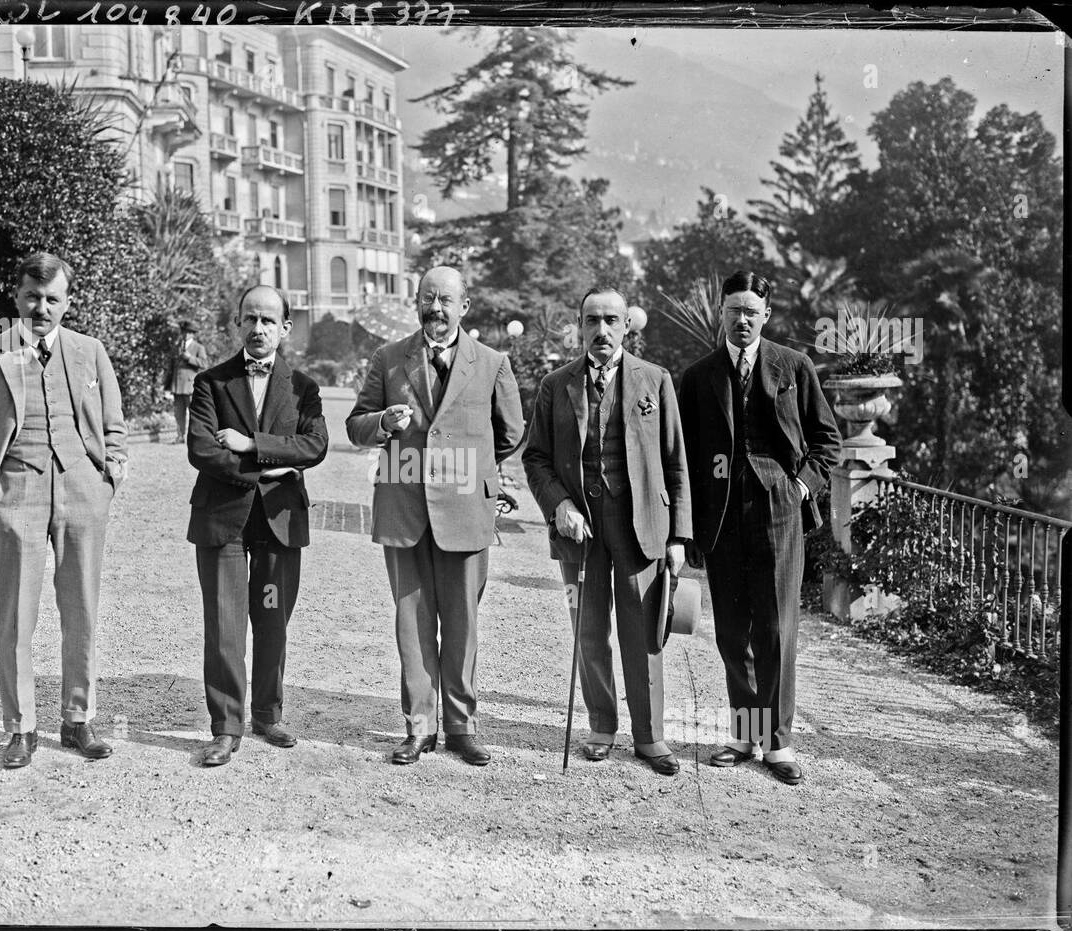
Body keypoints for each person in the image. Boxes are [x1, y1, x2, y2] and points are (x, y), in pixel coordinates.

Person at [346, 266, 524, 766]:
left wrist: (472, 469)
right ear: (416, 302)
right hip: (403, 509)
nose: (436, 308)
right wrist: (381, 421)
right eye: (428, 298)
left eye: (446, 300)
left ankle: (462, 727)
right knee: (413, 623)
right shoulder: (387, 359)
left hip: (466, 511)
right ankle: (420, 728)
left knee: (463, 623)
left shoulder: (492, 364)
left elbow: (510, 433)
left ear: (465, 306)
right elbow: (356, 425)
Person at [0, 252, 128, 769]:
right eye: (33, 296)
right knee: (16, 615)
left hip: (82, 491)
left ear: (67, 302)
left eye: (53, 298)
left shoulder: (89, 351)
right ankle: (20, 727)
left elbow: (114, 422)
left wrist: (110, 474)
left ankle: (78, 719)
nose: (42, 307)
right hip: (18, 495)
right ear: (17, 297)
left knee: (81, 610)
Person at [678, 270, 841, 785]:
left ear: (766, 315)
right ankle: (744, 735)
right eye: (734, 311)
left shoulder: (794, 367)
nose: (742, 319)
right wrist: (685, 525)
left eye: (752, 311)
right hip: (723, 519)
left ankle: (779, 742)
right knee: (732, 630)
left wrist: (798, 487)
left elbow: (826, 441)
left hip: (778, 515)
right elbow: (679, 454)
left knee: (775, 629)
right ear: (721, 314)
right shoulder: (699, 376)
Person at [523, 288, 693, 773]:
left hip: (641, 527)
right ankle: (601, 725)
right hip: (580, 530)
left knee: (645, 633)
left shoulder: (654, 381)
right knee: (589, 630)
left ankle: (650, 736)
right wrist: (558, 505)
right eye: (592, 320)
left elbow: (676, 462)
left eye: (611, 320)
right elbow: (535, 457)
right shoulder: (557, 385)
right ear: (579, 326)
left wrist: (679, 535)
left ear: (627, 327)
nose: (602, 330)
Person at [187, 285, 328, 767]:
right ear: (237, 324)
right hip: (222, 519)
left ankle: (268, 714)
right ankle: (226, 727)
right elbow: (201, 450)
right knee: (225, 624)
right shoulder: (210, 382)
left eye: (269, 320)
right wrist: (269, 466)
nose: (258, 328)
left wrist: (251, 445)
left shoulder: (304, 387)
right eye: (250, 319)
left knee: (271, 621)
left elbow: (314, 446)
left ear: (286, 328)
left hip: (279, 521)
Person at [164, 319, 209, 443]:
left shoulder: (198, 347)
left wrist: (190, 358)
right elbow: (171, 368)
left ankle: (196, 437)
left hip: (190, 386)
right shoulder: (177, 347)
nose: (185, 334)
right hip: (177, 386)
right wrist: (168, 386)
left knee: (194, 413)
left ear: (192, 334)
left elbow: (204, 364)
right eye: (183, 331)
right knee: (179, 414)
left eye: (188, 332)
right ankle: (180, 436)